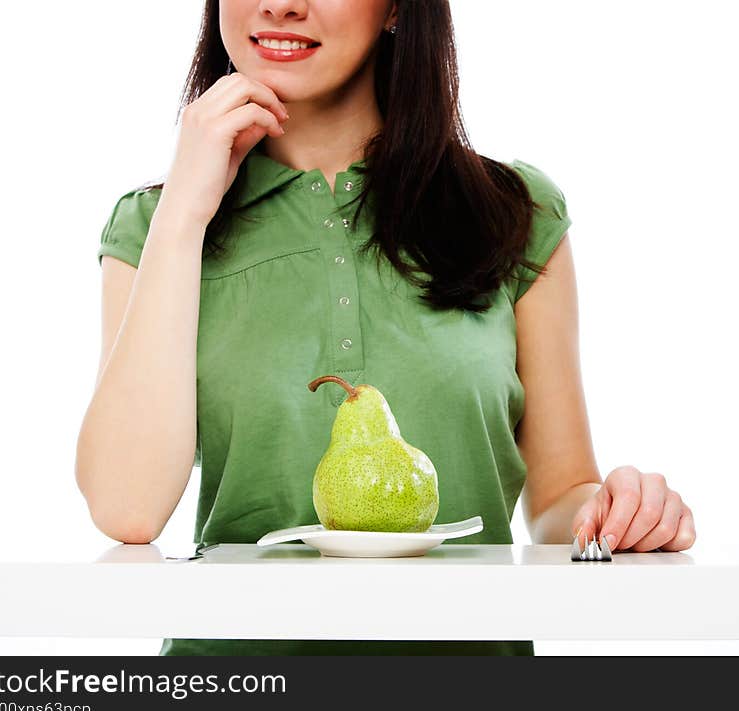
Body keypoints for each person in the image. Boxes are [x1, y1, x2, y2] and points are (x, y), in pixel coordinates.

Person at [75, 0, 695, 656]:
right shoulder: (154, 227)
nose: (281, 4)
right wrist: (184, 213)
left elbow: (561, 498)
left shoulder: (514, 214)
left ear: (398, 8)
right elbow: (126, 508)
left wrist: (621, 515)